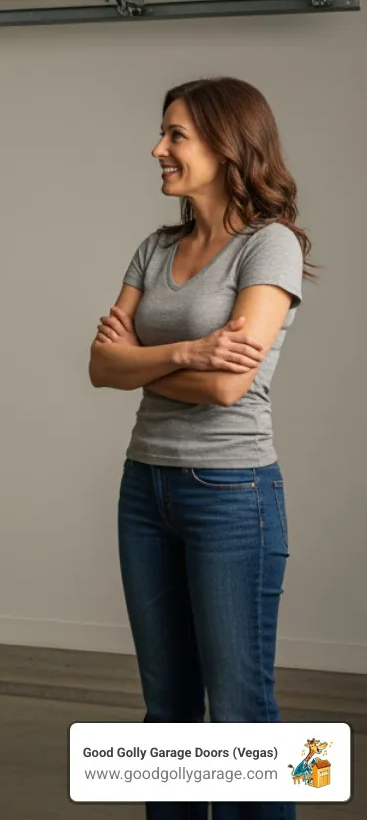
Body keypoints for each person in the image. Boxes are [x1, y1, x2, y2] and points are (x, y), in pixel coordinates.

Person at [88, 77, 313, 820]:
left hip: (231, 496)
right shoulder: (154, 250)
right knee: (169, 715)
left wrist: (147, 363)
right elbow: (99, 368)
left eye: (175, 135)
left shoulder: (269, 245)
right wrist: (191, 350)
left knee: (242, 718)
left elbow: (228, 390)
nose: (159, 150)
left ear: (226, 144)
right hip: (144, 491)